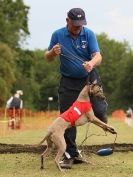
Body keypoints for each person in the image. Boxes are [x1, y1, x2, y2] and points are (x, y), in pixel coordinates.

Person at [44, 8, 108, 169]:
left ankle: (100, 115)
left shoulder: (89, 34)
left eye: (81, 25)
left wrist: (91, 63)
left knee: (99, 112)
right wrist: (53, 52)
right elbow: (47, 58)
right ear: (67, 21)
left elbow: (98, 56)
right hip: (68, 82)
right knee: (67, 118)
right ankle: (71, 154)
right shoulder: (57, 34)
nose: (78, 28)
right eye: (75, 25)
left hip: (89, 79)